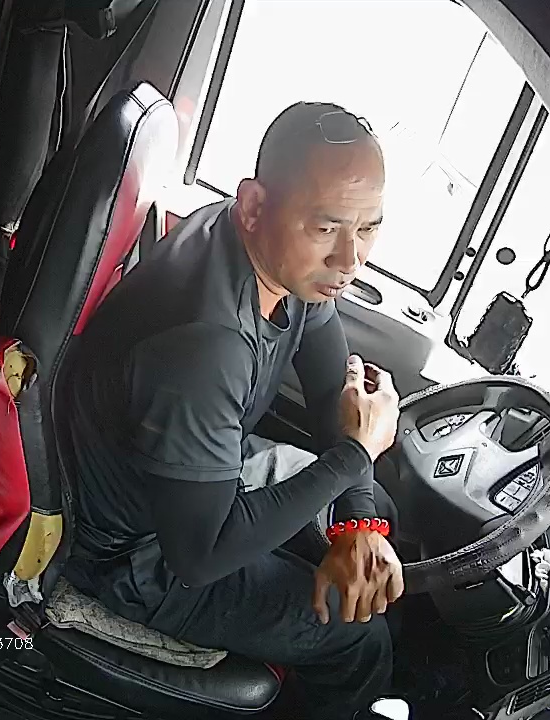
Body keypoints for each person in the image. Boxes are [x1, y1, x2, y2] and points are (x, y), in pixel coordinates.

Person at [61, 101, 403, 720]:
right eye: (326, 228)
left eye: (369, 229)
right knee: (361, 638)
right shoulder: (206, 348)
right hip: (138, 557)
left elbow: (331, 388)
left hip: (204, 476)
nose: (351, 259)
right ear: (253, 206)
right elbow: (199, 558)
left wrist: (359, 522)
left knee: (378, 510)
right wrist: (355, 456)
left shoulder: (280, 260)